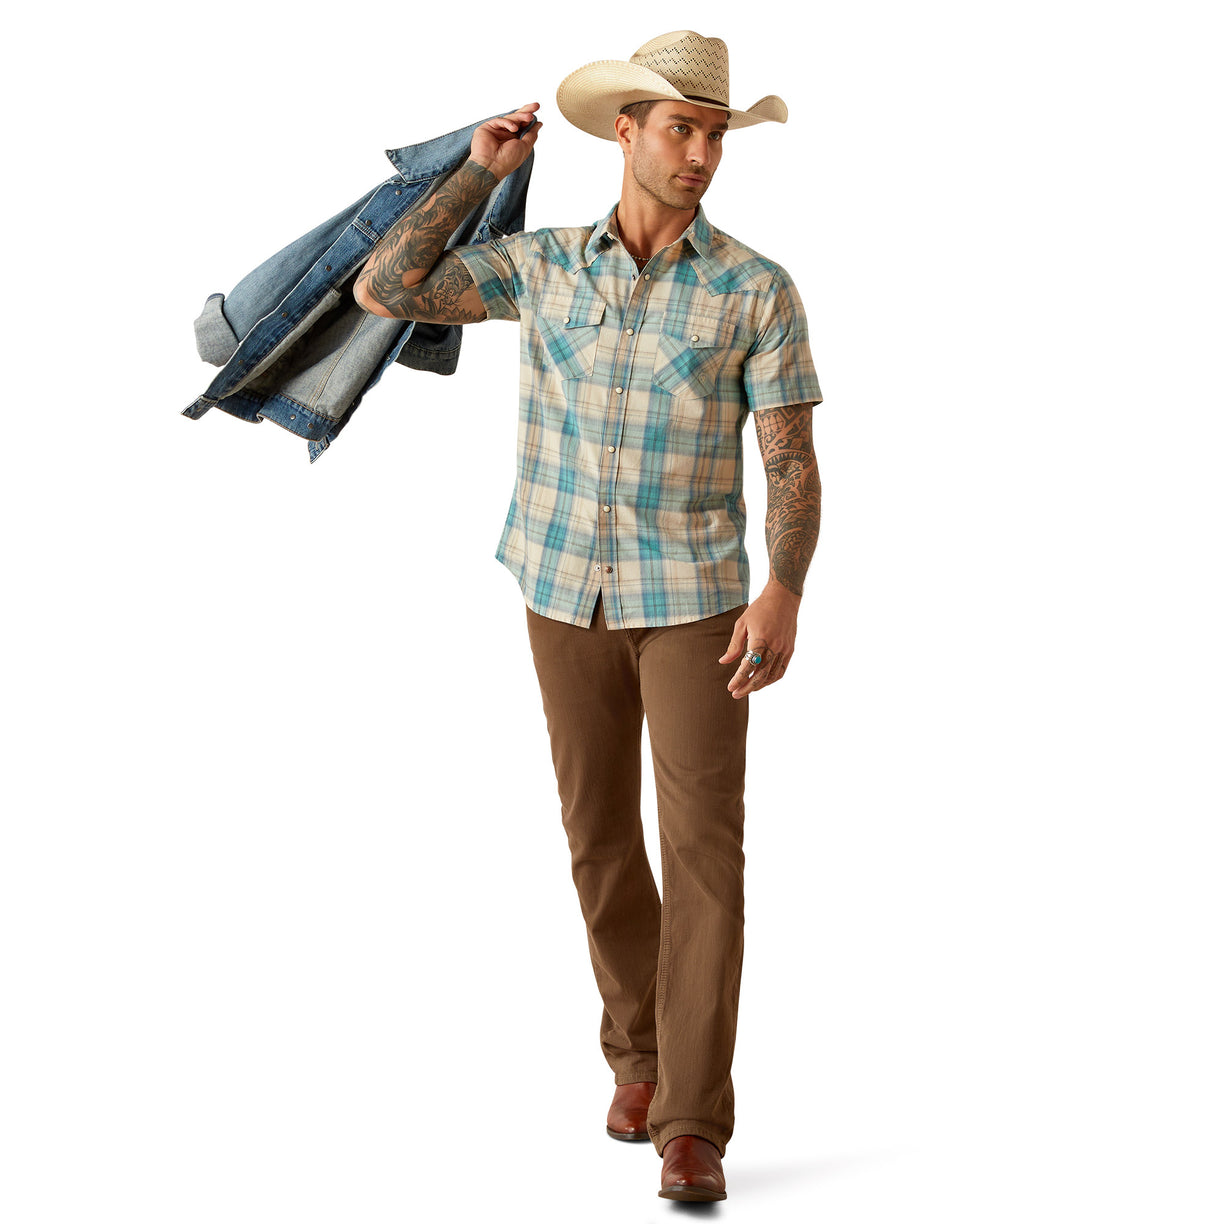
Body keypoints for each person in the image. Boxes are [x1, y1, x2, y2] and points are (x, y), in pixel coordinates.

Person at [354, 29, 823, 1204]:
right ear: (625, 131)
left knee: (706, 853)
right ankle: (638, 1055)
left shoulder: (756, 289)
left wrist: (785, 588)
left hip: (698, 604)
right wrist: (474, 169)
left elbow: (794, 462)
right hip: (559, 586)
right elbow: (388, 286)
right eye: (682, 129)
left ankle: (693, 1123)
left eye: (716, 134)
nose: (703, 153)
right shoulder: (543, 265)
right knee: (597, 835)